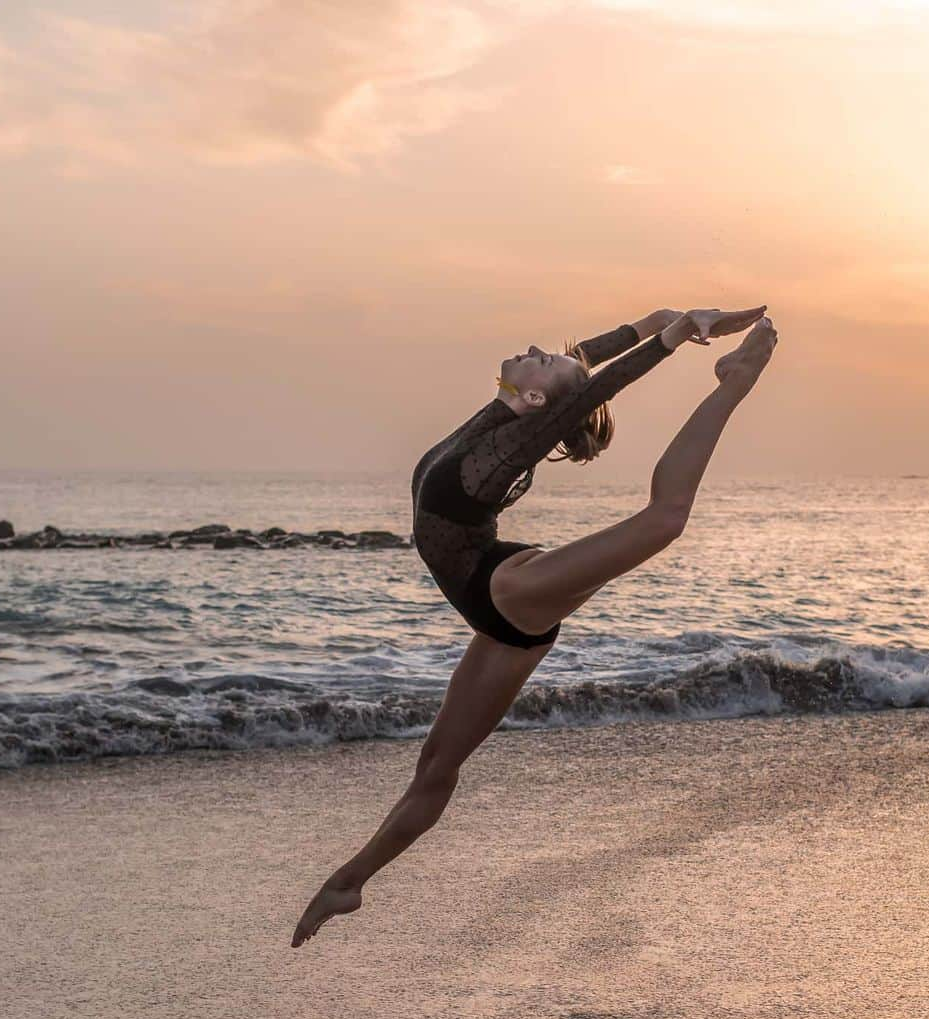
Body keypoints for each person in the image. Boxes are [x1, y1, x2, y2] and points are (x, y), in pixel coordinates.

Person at [291, 305, 778, 946]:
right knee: (437, 767)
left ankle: (734, 383)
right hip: (499, 615)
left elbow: (597, 385)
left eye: (542, 360)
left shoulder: (508, 448)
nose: (534, 348)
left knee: (664, 519)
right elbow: (586, 359)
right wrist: (665, 318)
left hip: (510, 592)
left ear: (536, 395)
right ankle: (350, 882)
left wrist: (674, 338)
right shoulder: (506, 409)